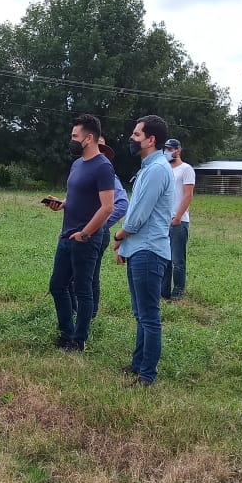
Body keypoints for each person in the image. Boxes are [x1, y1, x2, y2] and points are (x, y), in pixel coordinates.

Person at [43, 114, 115, 351]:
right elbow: (80, 198)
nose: (71, 139)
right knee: (57, 286)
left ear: (89, 138)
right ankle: (67, 332)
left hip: (85, 239)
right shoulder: (77, 164)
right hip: (66, 235)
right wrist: (62, 203)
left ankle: (79, 340)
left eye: (75, 136)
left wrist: (85, 233)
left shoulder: (103, 166)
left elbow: (107, 206)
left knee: (83, 291)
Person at [113, 115, 175, 387]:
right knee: (140, 313)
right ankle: (138, 363)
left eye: (137, 135)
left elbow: (138, 216)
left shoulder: (157, 169)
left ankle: (147, 375)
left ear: (151, 140)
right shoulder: (149, 167)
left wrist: (119, 235)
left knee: (149, 316)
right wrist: (125, 244)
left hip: (149, 250)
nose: (131, 138)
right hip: (140, 248)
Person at [71, 138, 128, 320]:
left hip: (94, 234)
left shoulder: (108, 175)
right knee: (78, 275)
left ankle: (89, 316)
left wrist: (98, 223)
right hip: (78, 230)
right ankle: (79, 313)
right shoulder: (81, 170)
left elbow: (121, 204)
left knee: (89, 277)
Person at [161, 138, 196, 301]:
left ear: (178, 150)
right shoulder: (165, 169)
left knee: (177, 259)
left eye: (170, 149)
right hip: (163, 220)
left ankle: (178, 291)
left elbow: (188, 195)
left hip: (179, 221)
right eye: (165, 149)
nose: (167, 152)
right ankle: (164, 290)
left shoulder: (186, 169)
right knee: (165, 257)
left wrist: (178, 217)